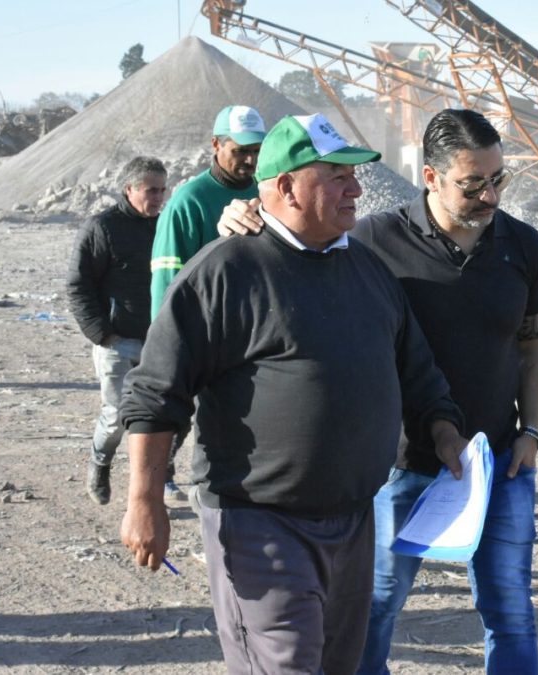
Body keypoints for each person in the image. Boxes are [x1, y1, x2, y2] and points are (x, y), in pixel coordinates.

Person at [119, 112, 467, 675]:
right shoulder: (226, 271)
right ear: (285, 187)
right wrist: (144, 499)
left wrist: (445, 430)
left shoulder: (367, 269)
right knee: (284, 666)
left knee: (338, 666)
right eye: (336, 176)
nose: (357, 188)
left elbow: (417, 369)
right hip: (260, 523)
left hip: (355, 520)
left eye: (353, 176)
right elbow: (158, 393)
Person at [217, 108, 538, 674]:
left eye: (499, 179)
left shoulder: (521, 244)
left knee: (511, 613)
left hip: (499, 462)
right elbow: (297, 245)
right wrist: (246, 217)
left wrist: (531, 431)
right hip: (399, 465)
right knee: (371, 611)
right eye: (473, 184)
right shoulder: (373, 241)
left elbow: (534, 344)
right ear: (429, 177)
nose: (490, 197)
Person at [66, 157, 187, 506]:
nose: (159, 197)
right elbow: (78, 285)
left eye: (163, 190)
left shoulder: (167, 225)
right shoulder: (101, 228)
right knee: (117, 418)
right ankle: (100, 463)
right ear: (129, 189)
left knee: (174, 416)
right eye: (151, 190)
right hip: (118, 341)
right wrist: (102, 334)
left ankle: (162, 476)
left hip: (162, 341)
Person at [149, 104, 266, 318]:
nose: (250, 160)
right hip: (209, 331)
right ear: (215, 144)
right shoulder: (189, 201)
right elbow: (167, 280)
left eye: (256, 151)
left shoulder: (267, 191)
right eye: (240, 151)